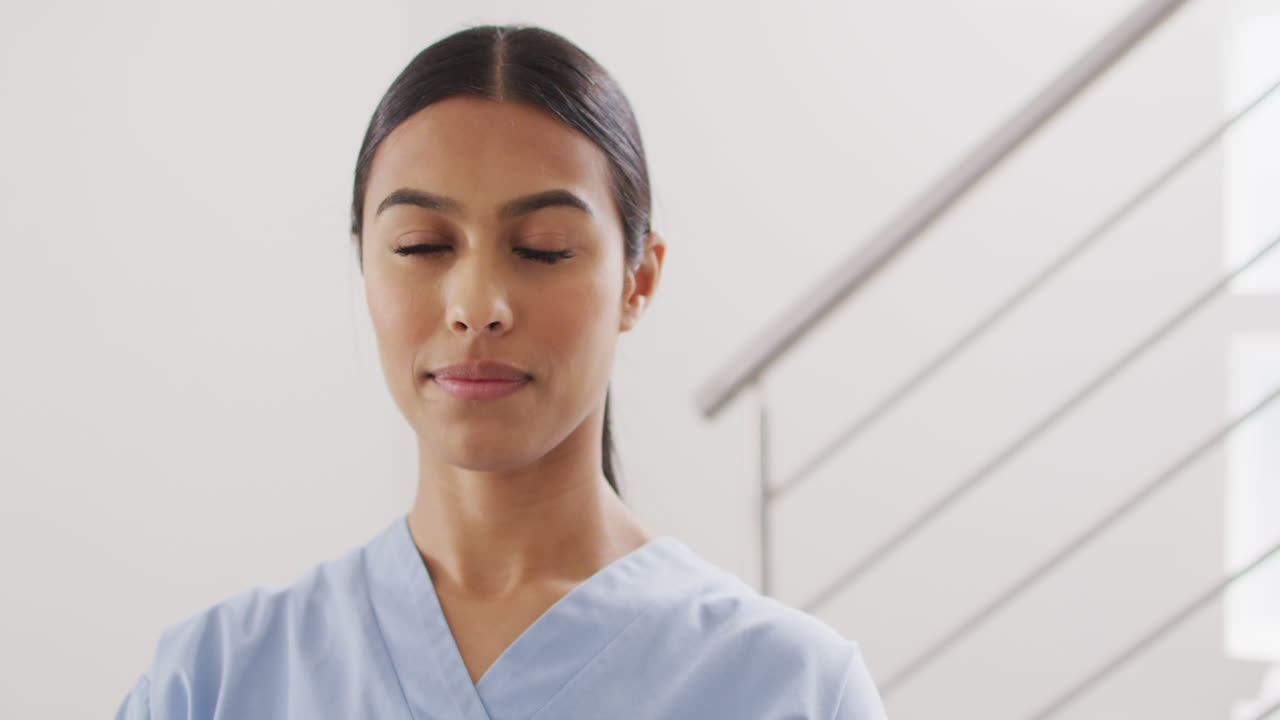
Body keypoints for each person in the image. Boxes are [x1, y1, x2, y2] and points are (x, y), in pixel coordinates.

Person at [113, 24, 888, 719]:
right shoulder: (210, 683)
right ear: (365, 265)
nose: (477, 305)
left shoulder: (794, 690)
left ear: (637, 280)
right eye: (422, 246)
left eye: (544, 248)